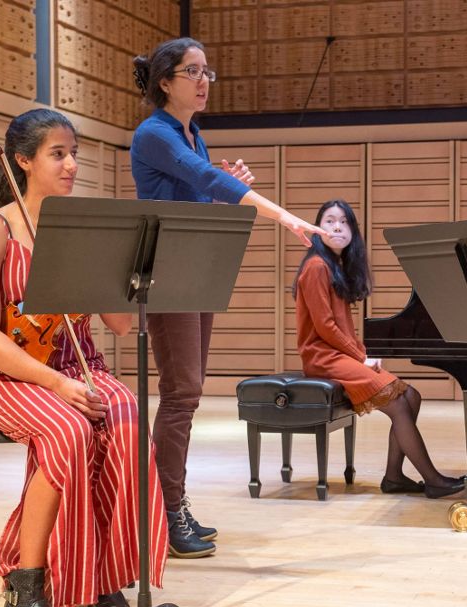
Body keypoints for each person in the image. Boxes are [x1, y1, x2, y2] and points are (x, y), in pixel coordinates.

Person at [0, 108, 168, 607]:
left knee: (124, 418)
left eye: (73, 153)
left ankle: (103, 579)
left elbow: (121, 326)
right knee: (69, 428)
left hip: (82, 367)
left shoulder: (81, 228)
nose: (72, 164)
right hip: (13, 378)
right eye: (59, 154)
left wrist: (122, 266)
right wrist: (55, 383)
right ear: (24, 161)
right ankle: (25, 584)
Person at [130, 37, 326, 558]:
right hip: (169, 276)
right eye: (192, 72)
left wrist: (221, 188)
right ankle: (165, 513)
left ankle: (172, 506)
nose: (203, 81)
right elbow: (201, 180)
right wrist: (281, 215)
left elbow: (199, 192)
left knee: (186, 396)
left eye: (207, 72)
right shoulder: (154, 133)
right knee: (181, 395)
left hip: (196, 272)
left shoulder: (193, 134)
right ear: (165, 81)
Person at [293, 200, 466, 499]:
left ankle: (394, 476)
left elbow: (342, 328)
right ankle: (432, 479)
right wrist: (362, 357)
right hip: (322, 358)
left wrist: (360, 354)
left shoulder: (336, 266)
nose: (337, 226)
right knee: (399, 403)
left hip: (338, 354)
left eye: (344, 221)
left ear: (353, 231)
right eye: (330, 220)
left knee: (412, 396)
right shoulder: (316, 266)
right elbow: (325, 328)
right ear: (317, 228)